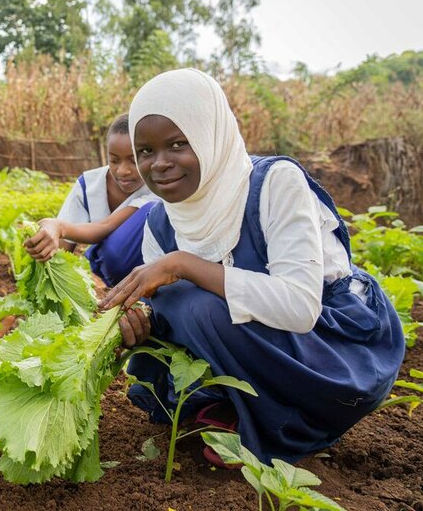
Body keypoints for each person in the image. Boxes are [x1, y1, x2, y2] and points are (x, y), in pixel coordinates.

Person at [99, 68, 404, 466]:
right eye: (146, 152)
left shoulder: (274, 183)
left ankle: (284, 422)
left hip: (332, 350)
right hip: (259, 346)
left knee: (195, 302)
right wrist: (138, 320)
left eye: (177, 144)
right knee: (170, 306)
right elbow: (167, 312)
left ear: (211, 136)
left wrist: (185, 265)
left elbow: (299, 306)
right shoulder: (161, 221)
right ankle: (232, 404)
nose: (159, 164)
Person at [24, 114, 158, 286]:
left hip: (146, 270)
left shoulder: (156, 187)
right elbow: (63, 247)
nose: (123, 171)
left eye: (133, 161)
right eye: (114, 160)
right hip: (107, 270)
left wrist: (58, 226)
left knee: (142, 220)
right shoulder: (88, 184)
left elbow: (104, 227)